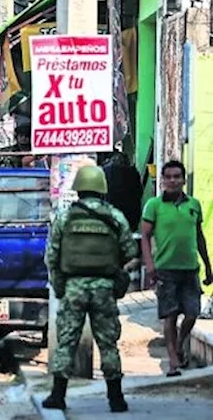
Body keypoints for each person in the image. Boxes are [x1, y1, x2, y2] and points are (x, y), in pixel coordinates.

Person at [42, 165, 138, 412]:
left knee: (66, 342)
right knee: (108, 343)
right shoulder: (114, 216)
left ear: (78, 189)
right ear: (102, 189)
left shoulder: (65, 217)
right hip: (104, 287)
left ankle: (57, 395)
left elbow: (52, 255)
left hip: (74, 286)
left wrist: (60, 285)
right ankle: (116, 398)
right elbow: (130, 251)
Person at [141, 160, 213, 375]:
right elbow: (145, 236)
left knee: (192, 314)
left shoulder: (194, 205)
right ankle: (173, 361)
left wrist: (208, 266)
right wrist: (150, 265)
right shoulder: (153, 205)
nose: (172, 181)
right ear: (162, 180)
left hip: (190, 268)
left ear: (183, 180)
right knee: (170, 316)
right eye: (168, 177)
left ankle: (180, 343)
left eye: (177, 177)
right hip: (165, 269)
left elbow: (199, 236)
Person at [102, 151, 144, 233]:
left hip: (110, 213)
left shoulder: (105, 171)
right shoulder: (133, 173)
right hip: (130, 215)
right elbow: (139, 192)